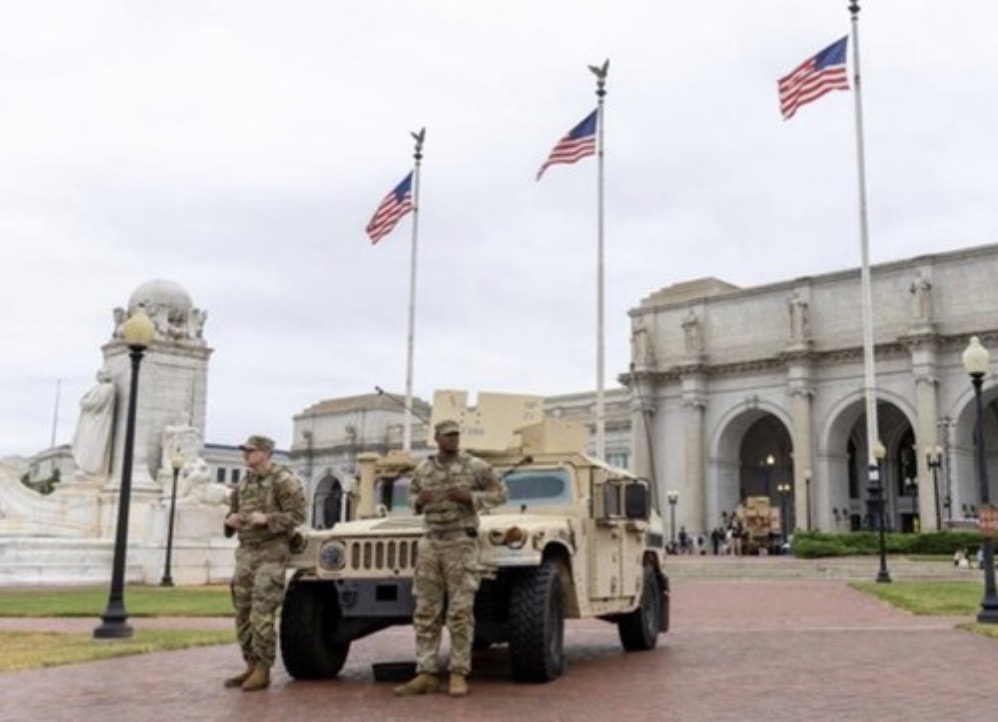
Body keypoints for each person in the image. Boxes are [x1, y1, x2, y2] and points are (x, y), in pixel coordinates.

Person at [394, 420, 507, 698]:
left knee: (460, 611)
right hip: (431, 541)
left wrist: (472, 497)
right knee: (426, 610)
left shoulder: (476, 466)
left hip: (461, 542)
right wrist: (419, 501)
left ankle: (458, 672)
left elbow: (501, 494)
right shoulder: (424, 469)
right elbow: (409, 497)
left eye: (456, 435)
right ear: (436, 438)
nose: (453, 440)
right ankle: (426, 672)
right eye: (447, 436)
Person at [222, 434, 306, 692]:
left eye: (251, 450)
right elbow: (231, 515)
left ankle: (263, 668)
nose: (245, 454)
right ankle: (250, 663)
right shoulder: (243, 484)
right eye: (245, 450)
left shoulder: (284, 481)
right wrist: (229, 521)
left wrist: (267, 519)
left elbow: (298, 516)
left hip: (272, 553)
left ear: (266, 453)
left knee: (262, 612)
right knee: (243, 612)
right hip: (246, 552)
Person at [72, 367, 116, 476]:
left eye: (100, 373)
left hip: (97, 422)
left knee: (92, 443)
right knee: (86, 442)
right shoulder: (99, 387)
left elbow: (97, 403)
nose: (97, 375)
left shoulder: (107, 388)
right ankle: (84, 467)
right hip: (91, 420)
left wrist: (84, 403)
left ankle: (89, 468)